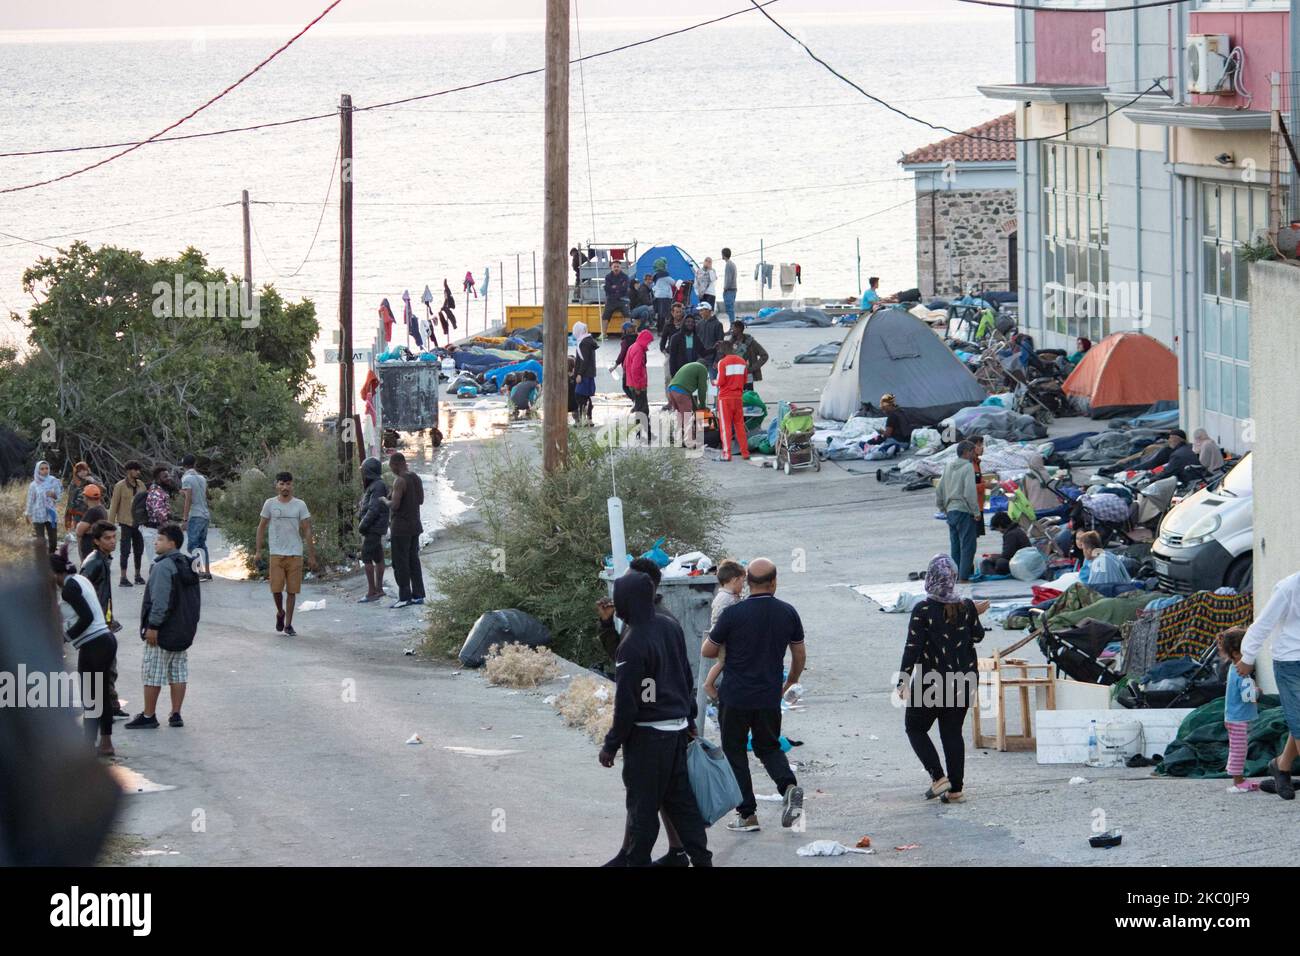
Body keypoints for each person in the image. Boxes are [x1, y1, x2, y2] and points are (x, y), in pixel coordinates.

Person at [598, 570, 712, 868]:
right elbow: (685, 674)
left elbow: (627, 703)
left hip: (648, 738)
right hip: (675, 731)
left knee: (642, 810)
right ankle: (701, 861)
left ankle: (636, 861)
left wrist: (611, 744)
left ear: (625, 602)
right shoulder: (668, 625)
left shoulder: (632, 643)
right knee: (682, 806)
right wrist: (688, 717)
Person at [702, 558, 805, 832]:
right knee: (768, 746)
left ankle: (747, 815)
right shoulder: (788, 613)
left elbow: (709, 651)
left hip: (735, 696)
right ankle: (788, 786)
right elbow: (799, 654)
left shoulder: (733, 614)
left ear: (747, 582)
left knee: (734, 750)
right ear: (774, 582)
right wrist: (792, 680)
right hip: (768, 695)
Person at [897, 554, 988, 804]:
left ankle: (938, 777)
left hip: (932, 681)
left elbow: (912, 649)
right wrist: (974, 613)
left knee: (915, 727)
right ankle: (955, 788)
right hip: (964, 680)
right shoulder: (966, 607)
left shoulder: (923, 610)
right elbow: (978, 636)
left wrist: (902, 680)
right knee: (952, 732)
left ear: (931, 579)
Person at [125, 524, 200, 731]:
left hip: (163, 630)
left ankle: (149, 715)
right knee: (178, 672)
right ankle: (176, 714)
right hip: (183, 628)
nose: (155, 542)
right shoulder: (187, 564)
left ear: (171, 543)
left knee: (152, 672)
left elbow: (159, 601)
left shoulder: (163, 567)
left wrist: (153, 626)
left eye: (159, 539)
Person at [1239, 570, 1300, 799]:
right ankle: (1281, 767)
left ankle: (1281, 766)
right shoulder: (1287, 588)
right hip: (1290, 662)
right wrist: (1247, 658)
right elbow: (1263, 624)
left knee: (1298, 720)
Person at [51, 550, 117, 755]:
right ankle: (103, 743)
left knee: (93, 696)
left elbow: (86, 617)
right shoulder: (79, 579)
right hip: (102, 641)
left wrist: (64, 638)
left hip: (95, 643)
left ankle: (92, 745)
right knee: (98, 695)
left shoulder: (68, 589)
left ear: (54, 573)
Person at [254, 472, 317, 635]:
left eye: (288, 484)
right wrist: (258, 551)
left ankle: (288, 624)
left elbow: (307, 529)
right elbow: (261, 527)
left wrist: (311, 555)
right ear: (277, 485)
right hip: (276, 552)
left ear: (292, 485)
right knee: (276, 589)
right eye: (282, 484)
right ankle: (280, 612)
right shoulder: (270, 504)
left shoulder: (300, 505)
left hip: (295, 553)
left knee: (292, 591)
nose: (285, 487)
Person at [1218, 627, 1258, 792]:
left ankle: (1239, 779)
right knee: (1239, 750)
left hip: (1234, 717)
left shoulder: (1232, 669)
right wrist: (1257, 691)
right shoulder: (1241, 672)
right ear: (1236, 653)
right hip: (1238, 719)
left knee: (1238, 748)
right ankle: (1238, 782)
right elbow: (1248, 696)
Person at [702, 559, 745, 702]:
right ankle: (708, 685)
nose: (743, 586)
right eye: (741, 582)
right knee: (722, 662)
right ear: (733, 580)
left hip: (724, 636)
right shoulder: (725, 598)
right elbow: (720, 618)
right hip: (721, 637)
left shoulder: (728, 596)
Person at [937, 441, 980, 582]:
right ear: (967, 452)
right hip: (963, 510)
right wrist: (976, 511)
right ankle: (963, 577)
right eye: (973, 452)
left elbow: (939, 489)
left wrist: (942, 507)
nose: (975, 454)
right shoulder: (967, 467)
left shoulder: (948, 466)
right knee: (968, 546)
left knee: (955, 546)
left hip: (950, 510)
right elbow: (969, 492)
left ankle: (954, 576)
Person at [387, 453, 425, 608]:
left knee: (400, 562)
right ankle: (418, 595)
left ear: (396, 464)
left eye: (391, 467)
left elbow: (395, 505)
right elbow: (421, 500)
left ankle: (404, 597)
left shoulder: (399, 481)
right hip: (415, 526)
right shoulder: (416, 478)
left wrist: (385, 500)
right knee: (413, 560)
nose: (392, 470)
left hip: (400, 528)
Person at [107, 460, 147, 587]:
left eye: (138, 470)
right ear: (129, 471)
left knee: (139, 549)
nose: (138, 472)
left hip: (139, 523)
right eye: (135, 470)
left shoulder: (141, 485)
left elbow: (146, 503)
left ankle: (137, 575)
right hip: (125, 522)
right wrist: (110, 525)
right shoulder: (120, 486)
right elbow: (113, 506)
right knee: (125, 550)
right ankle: (123, 577)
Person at [357, 457, 390, 604]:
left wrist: (363, 525)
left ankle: (372, 592)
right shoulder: (376, 485)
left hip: (373, 528)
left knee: (366, 556)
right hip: (376, 527)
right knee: (378, 556)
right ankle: (379, 589)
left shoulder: (377, 486)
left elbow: (374, 509)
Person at [180, 454, 212, 581]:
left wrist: (185, 518)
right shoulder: (202, 478)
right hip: (205, 514)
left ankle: (198, 572)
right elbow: (205, 495)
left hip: (195, 514)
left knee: (192, 545)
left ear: (184, 465)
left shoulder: (186, 478)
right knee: (202, 544)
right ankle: (207, 572)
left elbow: (189, 499)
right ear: (195, 464)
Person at [715, 349, 750, 462]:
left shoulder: (722, 362)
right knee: (740, 425)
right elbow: (745, 380)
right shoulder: (742, 361)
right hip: (738, 397)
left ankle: (726, 454)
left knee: (726, 427)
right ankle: (745, 453)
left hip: (725, 399)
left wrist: (714, 382)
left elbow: (720, 382)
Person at [666, 360, 708, 448]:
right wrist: (703, 406)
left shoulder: (690, 366)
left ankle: (678, 440)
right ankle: (689, 442)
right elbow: (702, 389)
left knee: (680, 416)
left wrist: (696, 408)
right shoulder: (702, 369)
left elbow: (688, 392)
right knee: (687, 417)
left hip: (671, 390)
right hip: (681, 392)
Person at [623, 329, 654, 444]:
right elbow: (635, 369)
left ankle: (640, 434)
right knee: (643, 410)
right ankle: (646, 434)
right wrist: (638, 386)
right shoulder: (639, 350)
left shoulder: (633, 347)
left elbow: (626, 365)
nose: (649, 344)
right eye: (649, 342)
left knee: (639, 409)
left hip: (633, 384)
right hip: (638, 386)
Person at [717, 320, 768, 387]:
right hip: (734, 375)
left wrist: (752, 368)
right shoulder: (731, 342)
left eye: (733, 328)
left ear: (739, 329)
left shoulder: (751, 343)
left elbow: (765, 356)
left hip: (747, 376)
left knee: (747, 396)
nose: (731, 330)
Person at [1131, 428, 1199, 479]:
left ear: (1176, 439)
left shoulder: (1174, 453)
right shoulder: (1192, 446)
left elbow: (1166, 471)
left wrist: (1151, 479)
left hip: (1187, 479)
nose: (1168, 440)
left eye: (1170, 438)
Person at [26, 460, 62, 553]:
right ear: (38, 470)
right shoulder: (33, 485)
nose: (45, 471)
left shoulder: (53, 481)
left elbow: (59, 498)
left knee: (53, 541)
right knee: (41, 541)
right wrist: (28, 514)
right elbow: (30, 500)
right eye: (42, 469)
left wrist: (53, 495)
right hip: (38, 515)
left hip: (51, 515)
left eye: (46, 468)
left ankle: (51, 557)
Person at [980, 512, 1030, 577]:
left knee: (989, 562)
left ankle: (994, 576)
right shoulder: (1017, 530)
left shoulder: (1010, 534)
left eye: (997, 529)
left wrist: (994, 557)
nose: (999, 531)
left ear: (1000, 526)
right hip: (1024, 561)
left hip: (1021, 563)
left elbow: (1007, 556)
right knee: (996, 560)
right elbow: (1011, 553)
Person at [64, 461, 102, 533]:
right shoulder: (74, 482)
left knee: (93, 533)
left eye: (84, 470)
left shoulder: (94, 478)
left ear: (87, 470)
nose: (82, 473)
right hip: (78, 513)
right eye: (80, 471)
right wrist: (68, 518)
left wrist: (94, 482)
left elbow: (103, 491)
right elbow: (70, 500)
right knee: (80, 534)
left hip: (93, 511)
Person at [659, 302, 686, 402]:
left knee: (682, 379)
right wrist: (664, 351)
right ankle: (670, 401)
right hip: (670, 354)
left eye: (680, 312)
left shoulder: (687, 323)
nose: (678, 314)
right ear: (672, 313)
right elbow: (663, 339)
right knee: (668, 378)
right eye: (676, 312)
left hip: (683, 355)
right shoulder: (668, 325)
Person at [73, 483, 108, 562]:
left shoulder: (92, 511)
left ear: (86, 497)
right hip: (99, 547)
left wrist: (79, 525)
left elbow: (79, 531)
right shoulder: (102, 509)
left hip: (90, 548)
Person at [573, 321, 598, 426]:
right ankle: (588, 418)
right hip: (589, 373)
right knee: (586, 396)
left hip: (585, 374)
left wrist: (579, 374)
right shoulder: (588, 341)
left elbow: (584, 360)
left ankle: (584, 419)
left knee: (580, 396)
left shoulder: (584, 343)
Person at [694, 301, 724, 379]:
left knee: (713, 383)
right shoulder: (699, 324)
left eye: (702, 310)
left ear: (708, 311)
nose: (700, 313)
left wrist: (717, 360)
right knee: (700, 383)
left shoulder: (718, 324)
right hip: (700, 359)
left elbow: (721, 344)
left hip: (712, 360)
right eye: (699, 311)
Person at [666, 311, 701, 379]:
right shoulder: (675, 337)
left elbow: (701, 352)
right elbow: (672, 358)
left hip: (692, 371)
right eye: (688, 322)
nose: (690, 324)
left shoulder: (696, 338)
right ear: (684, 323)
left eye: (692, 322)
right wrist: (673, 374)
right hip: (680, 372)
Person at [611, 321, 638, 399]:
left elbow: (622, 354)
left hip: (628, 367)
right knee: (635, 387)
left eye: (622, 330)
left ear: (625, 331)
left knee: (625, 387)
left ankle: (635, 401)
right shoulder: (637, 339)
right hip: (637, 366)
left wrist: (615, 365)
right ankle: (637, 402)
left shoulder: (625, 341)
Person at [601, 260, 631, 330]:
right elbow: (607, 289)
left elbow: (625, 289)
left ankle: (629, 332)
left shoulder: (625, 277)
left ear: (620, 268)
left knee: (627, 314)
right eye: (614, 267)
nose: (616, 268)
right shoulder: (608, 277)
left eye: (617, 267)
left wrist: (614, 287)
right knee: (605, 316)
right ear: (611, 267)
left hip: (623, 299)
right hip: (611, 300)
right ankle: (603, 334)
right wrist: (618, 287)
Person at [651, 257, 674, 331]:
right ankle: (663, 329)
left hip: (657, 296)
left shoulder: (656, 275)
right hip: (665, 296)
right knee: (664, 314)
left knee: (660, 314)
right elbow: (673, 282)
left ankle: (659, 329)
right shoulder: (665, 275)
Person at [721, 247, 738, 324]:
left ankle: (731, 325)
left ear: (724, 255)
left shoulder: (728, 264)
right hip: (733, 289)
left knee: (729, 309)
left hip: (729, 290)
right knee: (731, 308)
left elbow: (728, 279)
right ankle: (732, 324)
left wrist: (725, 289)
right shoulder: (732, 264)